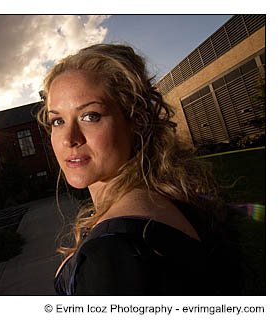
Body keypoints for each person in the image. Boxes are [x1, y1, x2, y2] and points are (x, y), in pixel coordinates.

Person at [37, 43, 233, 295]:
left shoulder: (113, 252)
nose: (69, 139)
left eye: (90, 116)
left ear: (135, 121)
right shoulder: (162, 200)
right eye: (58, 121)